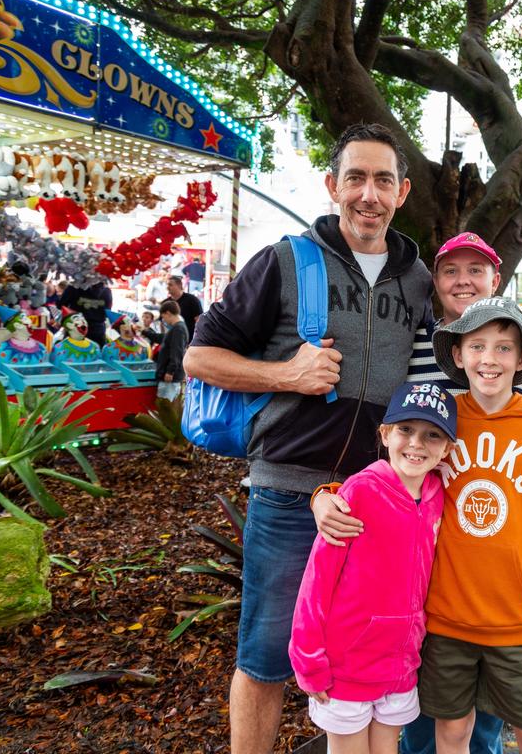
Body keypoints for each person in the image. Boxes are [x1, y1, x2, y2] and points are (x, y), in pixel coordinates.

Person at [183, 123, 433, 754]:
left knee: (375, 659)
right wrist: (285, 373)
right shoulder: (285, 262)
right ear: (332, 186)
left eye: (382, 180)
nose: (368, 194)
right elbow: (199, 358)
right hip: (291, 495)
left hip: (378, 501)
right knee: (266, 655)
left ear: (402, 192)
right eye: (355, 178)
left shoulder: (419, 281)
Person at [314, 231, 522, 754]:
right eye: (451, 270)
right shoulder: (434, 389)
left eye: (475, 270)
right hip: (436, 601)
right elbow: (397, 460)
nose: (490, 359)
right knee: (437, 724)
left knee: (507, 728)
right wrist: (329, 491)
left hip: (509, 602)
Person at [423, 297, 522, 754]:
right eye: (477, 346)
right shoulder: (439, 421)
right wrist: (329, 495)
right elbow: (394, 487)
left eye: (504, 348)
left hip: (514, 623)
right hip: (446, 620)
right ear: (458, 354)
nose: (489, 359)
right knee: (451, 732)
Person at [289, 382, 457, 753]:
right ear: (384, 433)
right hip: (347, 668)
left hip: (400, 667)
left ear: (446, 449)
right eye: (405, 430)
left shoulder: (438, 497)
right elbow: (317, 580)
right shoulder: (358, 493)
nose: (416, 443)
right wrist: (308, 658)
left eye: (432, 435)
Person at [59, 279, 112, 347]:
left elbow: (61, 305)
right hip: (97, 331)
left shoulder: (74, 287)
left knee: (72, 354)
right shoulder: (106, 291)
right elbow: (108, 310)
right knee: (95, 355)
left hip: (76, 329)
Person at [155, 300, 187, 401]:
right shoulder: (179, 328)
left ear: (168, 313)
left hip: (170, 378)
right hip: (172, 376)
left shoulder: (178, 329)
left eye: (163, 316)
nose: (164, 320)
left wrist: (170, 371)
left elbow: (176, 352)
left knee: (166, 408)